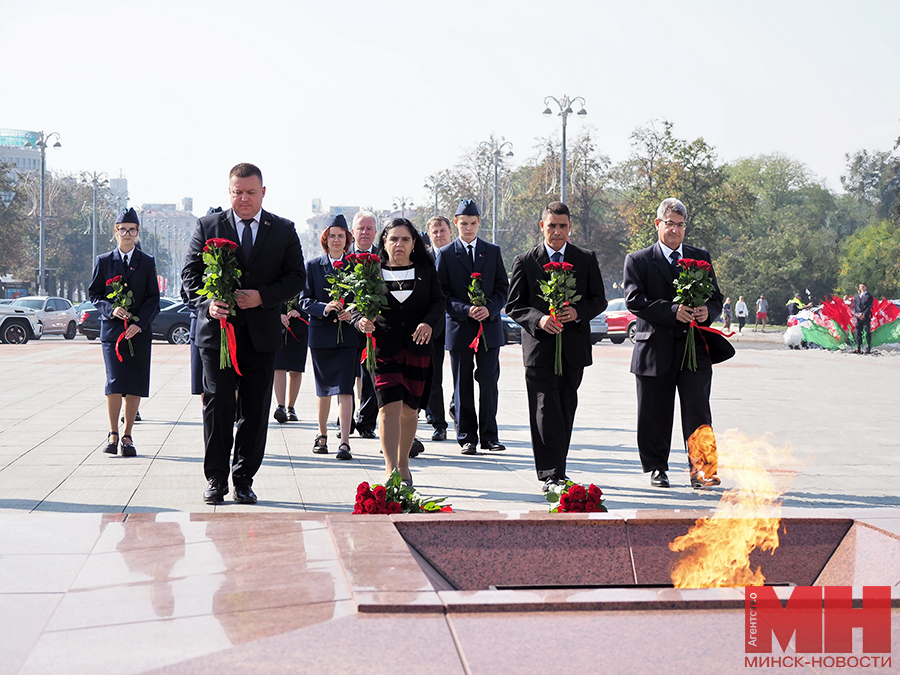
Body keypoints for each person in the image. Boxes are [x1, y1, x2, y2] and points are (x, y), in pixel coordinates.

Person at [182, 163, 306, 505]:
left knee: (255, 409)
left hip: (261, 335)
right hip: (217, 334)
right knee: (218, 405)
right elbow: (189, 277)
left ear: (263, 192)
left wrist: (262, 296)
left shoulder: (282, 229)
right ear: (229, 191)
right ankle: (216, 479)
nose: (244, 199)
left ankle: (244, 478)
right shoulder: (208, 226)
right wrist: (208, 302)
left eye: (251, 192)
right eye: (237, 192)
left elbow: (297, 277)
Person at [623, 197, 725, 489]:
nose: (675, 230)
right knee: (654, 412)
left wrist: (709, 311)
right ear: (658, 224)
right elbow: (634, 300)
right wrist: (671, 311)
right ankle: (657, 468)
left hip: (693, 349)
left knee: (698, 410)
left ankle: (703, 470)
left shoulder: (700, 257)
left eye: (680, 225)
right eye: (670, 224)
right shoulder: (638, 260)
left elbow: (716, 297)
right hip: (654, 349)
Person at [506, 202, 607, 493]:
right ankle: (550, 473)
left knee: (565, 408)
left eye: (563, 225)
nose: (557, 231)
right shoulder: (526, 260)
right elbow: (514, 305)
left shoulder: (585, 259)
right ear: (542, 226)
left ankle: (559, 467)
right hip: (539, 349)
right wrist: (539, 319)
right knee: (544, 409)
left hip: (573, 349)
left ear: (570, 226)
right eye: (552, 225)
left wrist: (576, 313)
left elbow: (598, 299)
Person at [352, 219, 445, 486]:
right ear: (384, 242)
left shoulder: (426, 270)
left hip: (418, 349)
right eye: (393, 239)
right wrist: (360, 320)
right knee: (388, 408)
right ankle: (392, 469)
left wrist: (428, 322)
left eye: (405, 239)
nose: (399, 244)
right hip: (382, 349)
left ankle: (404, 463)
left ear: (414, 243)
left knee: (409, 410)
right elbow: (355, 304)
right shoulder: (372, 270)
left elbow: (439, 301)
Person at [436, 199, 509, 455]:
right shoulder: (446, 255)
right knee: (462, 383)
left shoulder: (492, 251)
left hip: (489, 328)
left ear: (479, 224)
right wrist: (466, 310)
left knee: (488, 380)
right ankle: (467, 436)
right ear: (456, 223)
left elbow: (503, 287)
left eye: (473, 223)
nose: (468, 228)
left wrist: (490, 307)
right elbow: (441, 293)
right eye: (464, 223)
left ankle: (490, 436)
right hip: (460, 329)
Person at [89, 208, 161, 457]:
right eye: (123, 229)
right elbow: (95, 295)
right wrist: (111, 310)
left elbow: (154, 299)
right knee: (114, 382)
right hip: (112, 334)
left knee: (135, 384)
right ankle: (112, 433)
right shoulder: (103, 261)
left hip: (138, 333)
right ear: (115, 232)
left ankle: (128, 435)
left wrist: (139, 323)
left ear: (138, 233)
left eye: (132, 230)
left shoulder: (147, 261)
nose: (127, 234)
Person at [300, 215, 357, 460]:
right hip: (322, 336)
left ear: (347, 240)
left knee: (345, 388)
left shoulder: (356, 266)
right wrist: (324, 307)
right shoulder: (313, 266)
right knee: (323, 389)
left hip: (348, 337)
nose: (336, 240)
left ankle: (344, 441)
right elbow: (304, 301)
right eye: (332, 235)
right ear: (325, 239)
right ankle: (321, 434)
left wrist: (352, 311)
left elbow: (363, 299)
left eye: (341, 236)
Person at [348, 210, 380, 439]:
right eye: (361, 228)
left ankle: (367, 422)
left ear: (376, 232)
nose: (365, 232)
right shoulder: (343, 257)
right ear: (353, 232)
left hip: (374, 325)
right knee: (346, 375)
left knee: (371, 374)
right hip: (347, 324)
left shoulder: (384, 258)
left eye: (369, 228)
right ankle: (345, 420)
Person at [424, 215, 453, 441]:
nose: (439, 235)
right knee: (433, 376)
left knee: (463, 374)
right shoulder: (423, 258)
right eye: (434, 232)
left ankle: (457, 406)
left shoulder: (458, 255)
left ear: (450, 231)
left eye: (442, 230)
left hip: (457, 322)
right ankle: (438, 422)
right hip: (432, 325)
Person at [272, 295, 308, 423]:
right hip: (278, 326)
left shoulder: (305, 275)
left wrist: (300, 311)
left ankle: (291, 407)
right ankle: (280, 406)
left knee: (296, 368)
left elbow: (310, 295)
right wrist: (278, 314)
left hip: (299, 326)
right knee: (279, 365)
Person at [852, 282, 873, 354]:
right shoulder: (856, 296)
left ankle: (868, 347)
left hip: (866, 316)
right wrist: (857, 314)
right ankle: (858, 347)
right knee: (858, 332)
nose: (862, 288)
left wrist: (863, 313)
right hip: (858, 317)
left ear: (866, 287)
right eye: (860, 287)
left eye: (863, 286)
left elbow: (869, 306)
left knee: (867, 332)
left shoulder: (869, 296)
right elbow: (854, 306)